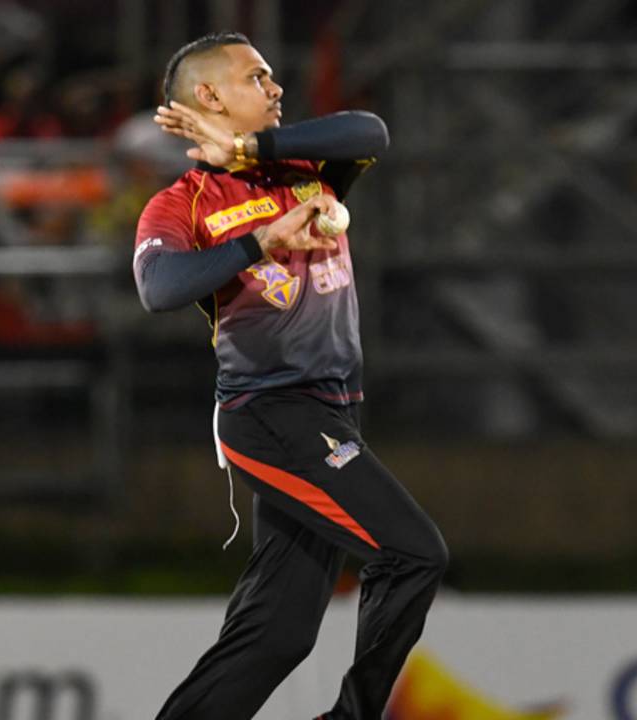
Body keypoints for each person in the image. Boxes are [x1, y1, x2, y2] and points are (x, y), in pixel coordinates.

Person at [134, 31, 448, 720]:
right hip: (270, 412)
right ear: (209, 95)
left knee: (276, 634)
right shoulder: (183, 202)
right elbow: (159, 287)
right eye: (257, 77)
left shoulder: (306, 167)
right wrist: (260, 241)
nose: (276, 88)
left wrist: (249, 148)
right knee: (413, 551)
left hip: (331, 411)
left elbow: (372, 131)